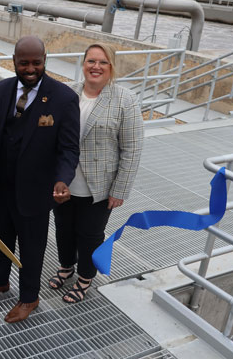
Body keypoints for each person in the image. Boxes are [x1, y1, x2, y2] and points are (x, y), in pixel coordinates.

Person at [0, 36, 80, 323]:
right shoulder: (2, 89)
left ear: (45, 60)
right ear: (14, 62)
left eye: (37, 62)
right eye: (24, 63)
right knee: (0, 238)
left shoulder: (64, 98)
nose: (30, 68)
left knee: (32, 247)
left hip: (34, 189)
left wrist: (62, 179)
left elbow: (69, 148)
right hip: (0, 184)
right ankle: (0, 281)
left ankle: (29, 297)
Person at [48, 42, 144, 304]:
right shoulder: (68, 93)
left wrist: (119, 190)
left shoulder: (125, 100)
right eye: (91, 61)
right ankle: (66, 265)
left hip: (99, 187)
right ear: (83, 64)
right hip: (65, 182)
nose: (96, 67)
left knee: (90, 234)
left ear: (111, 67)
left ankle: (85, 277)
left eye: (103, 62)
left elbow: (132, 150)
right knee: (63, 228)